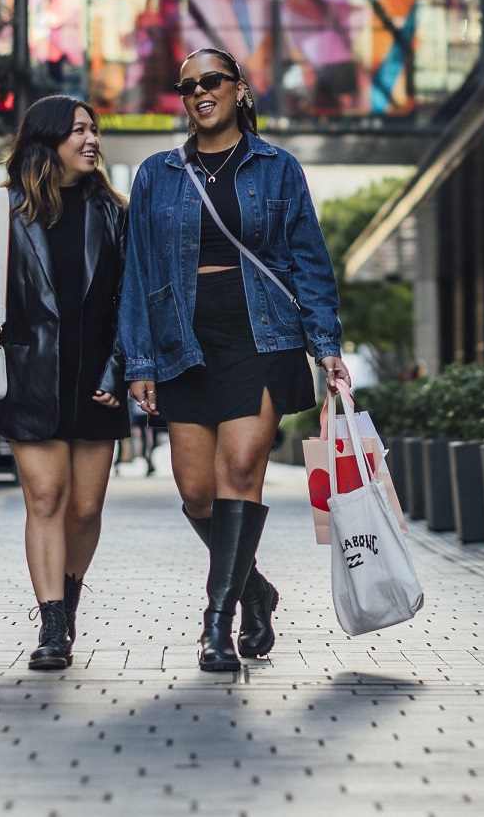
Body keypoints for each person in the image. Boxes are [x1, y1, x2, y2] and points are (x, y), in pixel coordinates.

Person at [120, 48, 349, 673]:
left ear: (239, 90)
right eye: (187, 85)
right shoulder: (156, 174)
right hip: (182, 342)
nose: (199, 92)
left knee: (241, 469)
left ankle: (216, 624)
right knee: (196, 494)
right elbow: (138, 273)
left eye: (212, 81)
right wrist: (138, 360)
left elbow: (310, 261)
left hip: (262, 333)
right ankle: (255, 589)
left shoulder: (278, 168)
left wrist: (326, 346)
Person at [0, 95, 129, 672]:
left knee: (86, 506)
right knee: (46, 499)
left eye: (94, 129)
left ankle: (68, 599)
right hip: (31, 380)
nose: (91, 139)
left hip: (99, 380)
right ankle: (53, 624)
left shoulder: (114, 213)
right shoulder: (1, 211)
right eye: (78, 130)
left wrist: (119, 369)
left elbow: (131, 305)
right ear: (47, 141)